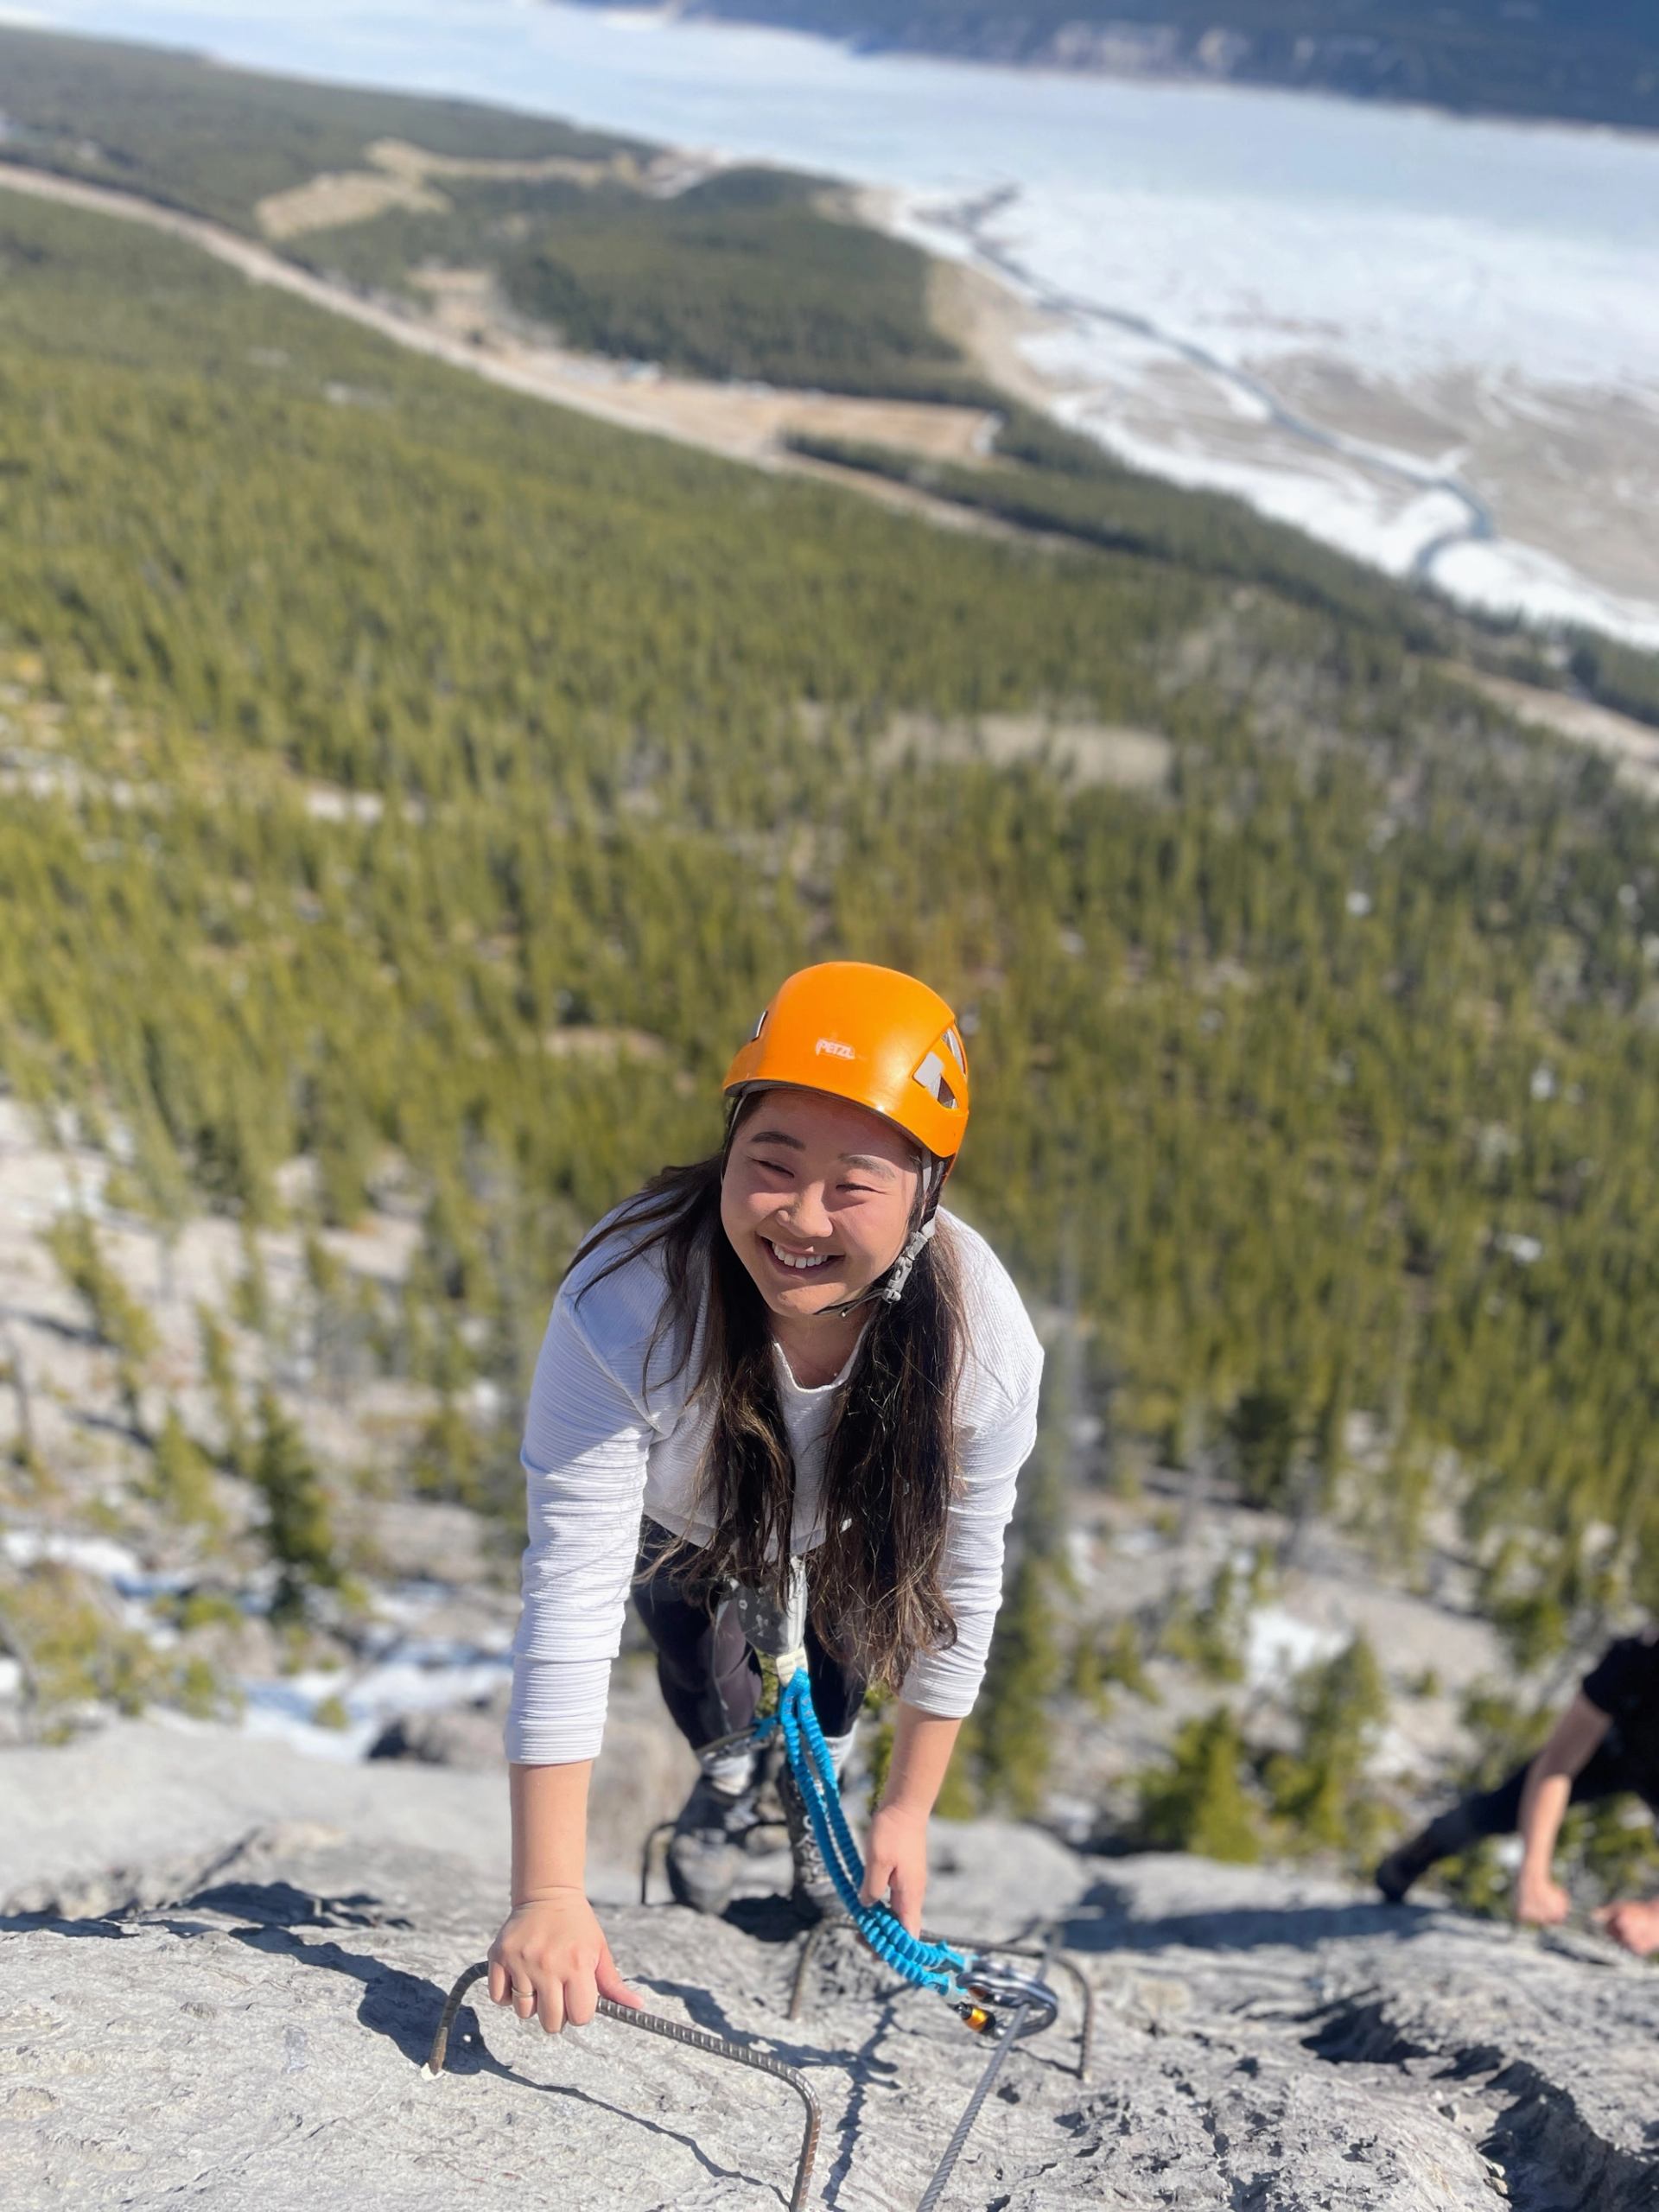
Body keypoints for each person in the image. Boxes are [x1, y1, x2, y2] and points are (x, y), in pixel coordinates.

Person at [486, 962, 1045, 2035]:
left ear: (929, 1190)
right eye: (771, 1163)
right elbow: (569, 1598)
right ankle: (734, 1777)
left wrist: (905, 1811)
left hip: (849, 1517)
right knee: (707, 1693)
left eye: (855, 1184)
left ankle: (814, 1793)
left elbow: (961, 1588)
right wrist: (548, 1895)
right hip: (679, 1518)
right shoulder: (628, 1299)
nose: (800, 1215)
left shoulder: (983, 1349)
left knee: (829, 1694)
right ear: (728, 1147)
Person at [1374, 1625, 1659, 1954]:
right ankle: (1422, 1851)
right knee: (1495, 1811)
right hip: (1609, 1749)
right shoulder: (1637, 1656)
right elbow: (1557, 1764)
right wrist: (1533, 1875)